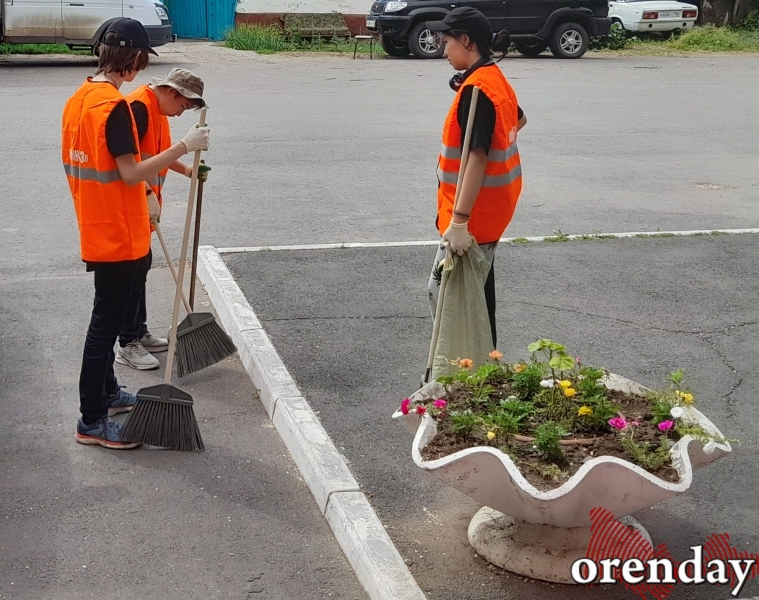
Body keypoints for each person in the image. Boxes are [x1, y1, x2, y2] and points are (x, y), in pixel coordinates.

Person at [62, 18, 211, 449]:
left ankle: (107, 395)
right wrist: (186, 146)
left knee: (104, 323)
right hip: (118, 235)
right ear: (136, 61)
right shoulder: (115, 108)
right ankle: (92, 420)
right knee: (103, 329)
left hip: (100, 225)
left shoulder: (81, 100)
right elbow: (130, 173)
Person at [425, 8, 526, 349]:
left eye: (447, 42)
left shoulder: (477, 88)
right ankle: (484, 373)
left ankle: (466, 375)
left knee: (448, 301)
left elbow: (477, 157)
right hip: (492, 216)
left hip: (471, 222)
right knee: (479, 302)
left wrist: (459, 221)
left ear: (465, 40)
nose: (443, 50)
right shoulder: (493, 79)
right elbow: (518, 120)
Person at [115, 68, 211, 371]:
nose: (180, 114)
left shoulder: (156, 109)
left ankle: (138, 331)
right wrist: (146, 195)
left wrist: (188, 170)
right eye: (181, 106)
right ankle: (126, 342)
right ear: (171, 92)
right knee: (130, 273)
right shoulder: (139, 108)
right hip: (130, 204)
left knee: (141, 267)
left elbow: (156, 154)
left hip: (143, 206)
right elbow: (130, 162)